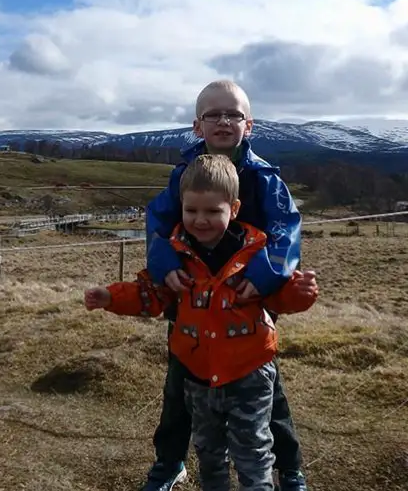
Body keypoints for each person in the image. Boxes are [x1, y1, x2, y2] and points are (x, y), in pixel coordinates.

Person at [85, 155, 318, 491]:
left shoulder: (258, 257)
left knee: (252, 450)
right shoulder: (173, 258)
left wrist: (301, 291)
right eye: (191, 211)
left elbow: (281, 299)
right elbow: (151, 296)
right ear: (180, 206)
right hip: (196, 376)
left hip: (248, 372)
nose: (200, 220)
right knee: (208, 452)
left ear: (234, 209)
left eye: (212, 212)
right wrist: (111, 297)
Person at [143, 79, 310, 491]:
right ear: (197, 126)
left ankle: (289, 469)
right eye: (213, 114)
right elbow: (158, 225)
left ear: (248, 125)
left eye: (233, 114)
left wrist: (263, 277)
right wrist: (164, 265)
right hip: (190, 298)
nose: (223, 121)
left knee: (265, 388)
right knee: (179, 385)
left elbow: (285, 231)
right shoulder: (182, 175)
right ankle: (170, 463)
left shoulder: (264, 179)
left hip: (247, 302)